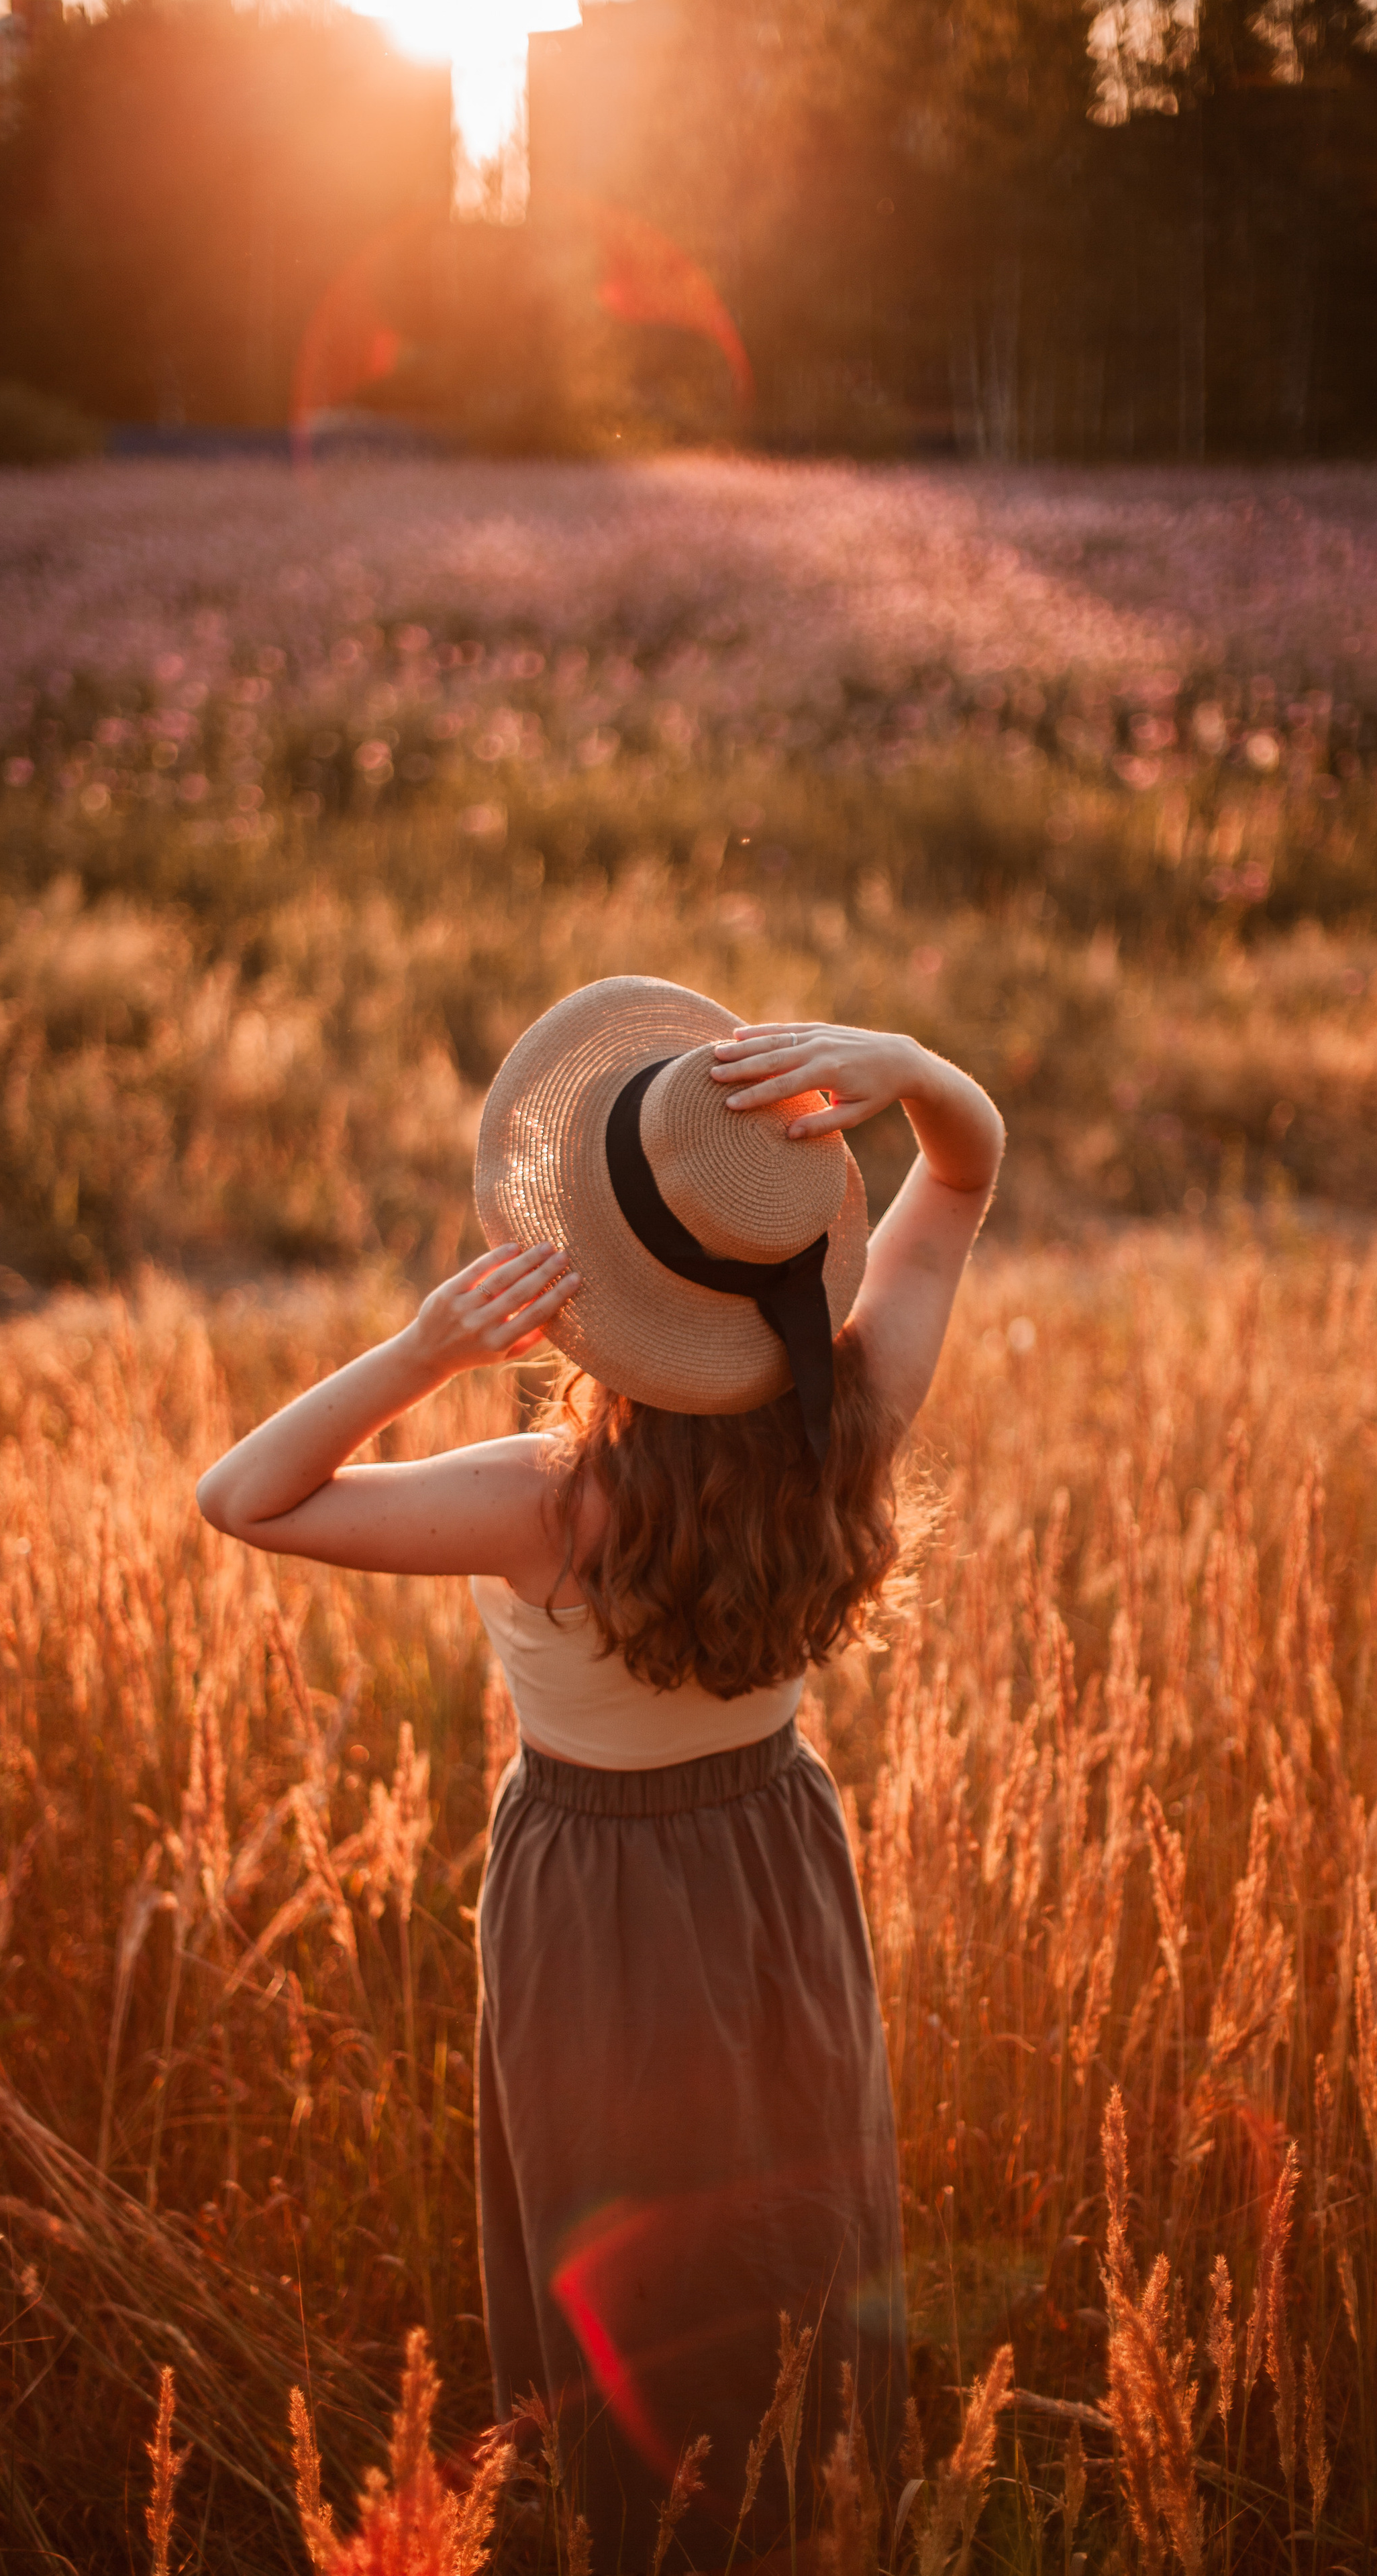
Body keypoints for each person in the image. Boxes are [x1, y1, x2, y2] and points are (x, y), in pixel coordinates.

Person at [197, 976, 1004, 2571]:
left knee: (621, 2271)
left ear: (586, 1282)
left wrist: (424, 1348)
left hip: (595, 1898)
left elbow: (247, 1497)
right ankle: (813, 2522)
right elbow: (964, 1173)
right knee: (795, 2235)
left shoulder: (545, 1498)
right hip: (777, 1860)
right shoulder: (851, 1417)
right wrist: (907, 1065)